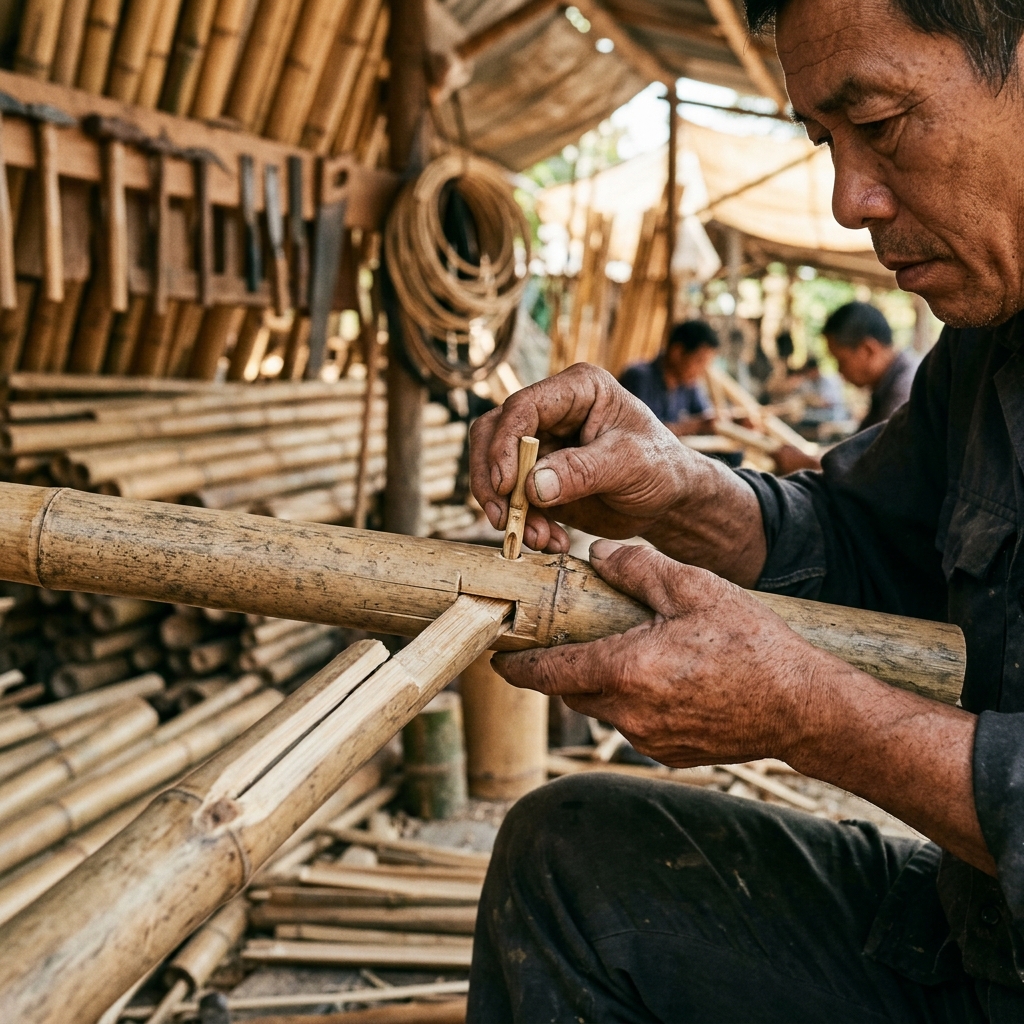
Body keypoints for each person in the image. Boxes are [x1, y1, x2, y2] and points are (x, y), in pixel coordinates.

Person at [466, 1, 1024, 1021]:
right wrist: (680, 490)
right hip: (980, 940)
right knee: (571, 861)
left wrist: (804, 714)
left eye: (884, 123)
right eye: (825, 140)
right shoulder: (989, 349)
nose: (849, 198)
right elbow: (856, 536)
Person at [824, 301, 919, 430]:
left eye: (842, 361)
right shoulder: (885, 385)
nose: (839, 371)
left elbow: (889, 449)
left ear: (868, 350)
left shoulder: (908, 388)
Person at [618, 320, 719, 436]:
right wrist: (695, 426)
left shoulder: (688, 384)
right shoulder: (638, 377)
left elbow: (706, 416)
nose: (701, 371)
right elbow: (641, 432)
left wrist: (732, 420)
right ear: (677, 352)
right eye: (699, 361)